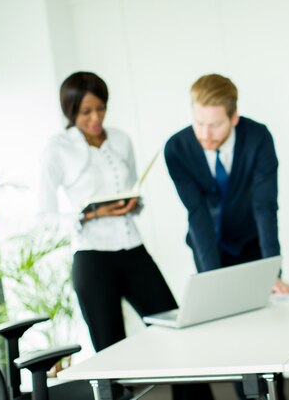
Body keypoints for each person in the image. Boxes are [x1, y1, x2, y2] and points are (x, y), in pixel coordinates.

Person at [39, 71, 210, 400]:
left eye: (101, 109)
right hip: (91, 258)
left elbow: (129, 189)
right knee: (111, 354)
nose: (95, 118)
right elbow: (44, 218)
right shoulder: (57, 149)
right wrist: (90, 213)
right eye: (86, 111)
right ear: (71, 111)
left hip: (132, 248)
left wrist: (131, 204)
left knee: (174, 330)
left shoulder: (119, 139)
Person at [164, 73, 289, 399]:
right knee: (228, 330)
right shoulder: (177, 149)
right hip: (207, 245)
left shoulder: (258, 137)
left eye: (215, 125)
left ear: (233, 118)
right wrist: (212, 281)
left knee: (266, 325)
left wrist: (272, 269)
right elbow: (197, 215)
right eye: (198, 123)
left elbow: (265, 205)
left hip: (251, 241)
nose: (205, 135)